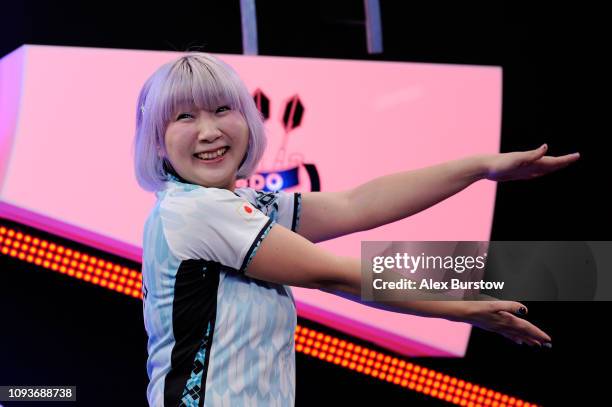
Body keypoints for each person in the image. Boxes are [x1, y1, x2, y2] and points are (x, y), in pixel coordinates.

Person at [133, 52, 580, 406]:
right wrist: (461, 309)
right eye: (184, 117)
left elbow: (356, 204)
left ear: (247, 120)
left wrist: (482, 166)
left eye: (221, 109)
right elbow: (334, 273)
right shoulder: (193, 211)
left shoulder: (236, 205)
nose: (208, 130)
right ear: (157, 140)